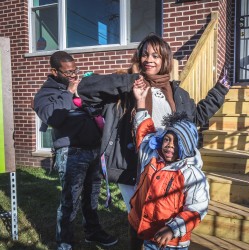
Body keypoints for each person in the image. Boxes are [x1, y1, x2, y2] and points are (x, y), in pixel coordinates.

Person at [77, 33, 230, 249]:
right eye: (145, 54)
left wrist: (220, 90)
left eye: (156, 55)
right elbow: (85, 89)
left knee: (165, 215)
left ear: (165, 60)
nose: (149, 59)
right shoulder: (129, 87)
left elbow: (195, 118)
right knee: (139, 216)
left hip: (168, 166)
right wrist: (131, 80)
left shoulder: (178, 93)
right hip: (134, 165)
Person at [33, 51, 119, 250]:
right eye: (68, 73)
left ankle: (92, 232)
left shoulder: (80, 87)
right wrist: (70, 91)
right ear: (54, 71)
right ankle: (64, 242)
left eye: (75, 71)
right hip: (72, 153)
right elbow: (53, 118)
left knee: (91, 196)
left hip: (93, 150)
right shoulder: (45, 94)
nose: (73, 76)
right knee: (70, 200)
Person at [130, 85, 209, 249]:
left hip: (173, 242)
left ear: (186, 147)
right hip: (149, 234)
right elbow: (144, 132)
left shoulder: (191, 174)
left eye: (176, 142)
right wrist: (141, 102)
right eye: (167, 139)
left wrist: (173, 229)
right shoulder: (152, 158)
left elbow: (196, 209)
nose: (169, 145)